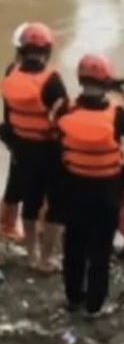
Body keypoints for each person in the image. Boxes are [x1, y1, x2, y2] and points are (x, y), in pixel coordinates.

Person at [54, 54, 124, 318]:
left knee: (74, 245)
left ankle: (73, 298)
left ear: (80, 80)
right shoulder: (116, 115)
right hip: (106, 191)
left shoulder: (65, 109)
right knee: (100, 249)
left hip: (74, 189)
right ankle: (95, 305)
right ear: (107, 83)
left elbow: (56, 136)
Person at [1, 22, 67, 268]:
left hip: (21, 148)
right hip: (48, 149)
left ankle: (31, 255)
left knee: (29, 200)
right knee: (55, 203)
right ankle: (48, 256)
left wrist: (14, 145)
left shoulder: (10, 75)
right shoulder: (52, 80)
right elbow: (64, 119)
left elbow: (7, 118)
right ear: (47, 50)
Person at [0, 25, 29, 242]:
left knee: (17, 178)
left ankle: (7, 222)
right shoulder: (18, 71)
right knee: (18, 181)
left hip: (14, 132)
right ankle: (8, 225)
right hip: (21, 134)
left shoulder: (13, 69)